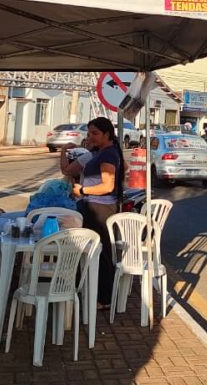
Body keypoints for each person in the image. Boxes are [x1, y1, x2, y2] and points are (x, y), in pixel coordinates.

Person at [65, 117, 125, 308]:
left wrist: (82, 190)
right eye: (89, 133)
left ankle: (104, 298)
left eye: (95, 133)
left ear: (107, 134)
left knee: (101, 252)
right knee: (96, 251)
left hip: (100, 209)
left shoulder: (108, 155)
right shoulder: (104, 152)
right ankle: (98, 294)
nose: (90, 136)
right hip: (94, 206)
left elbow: (108, 185)